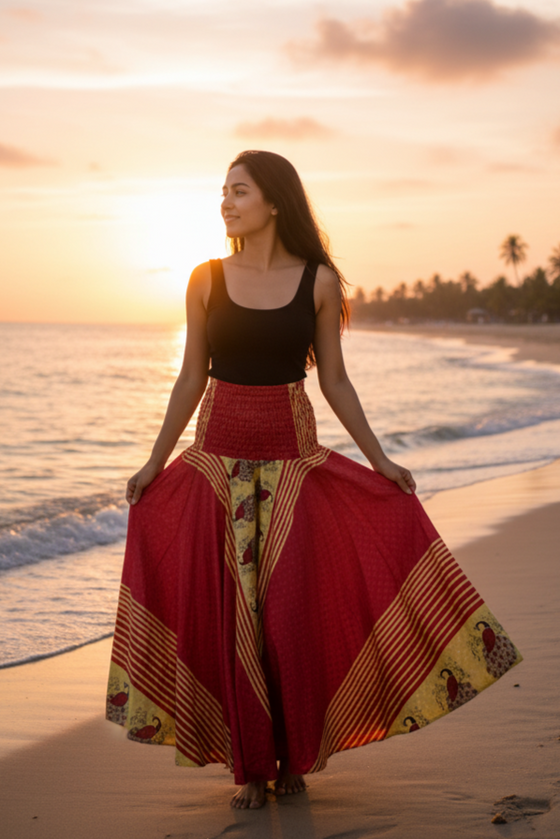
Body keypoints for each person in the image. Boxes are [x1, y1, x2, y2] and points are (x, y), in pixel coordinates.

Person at [106, 150, 521, 811]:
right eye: (222, 192)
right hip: (218, 464)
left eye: (238, 191)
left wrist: (380, 459)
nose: (226, 202)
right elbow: (190, 377)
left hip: (294, 463)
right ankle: (250, 767)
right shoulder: (205, 279)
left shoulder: (320, 283)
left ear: (274, 201)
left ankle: (293, 756)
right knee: (235, 614)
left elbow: (334, 380)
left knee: (288, 617)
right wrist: (155, 462)